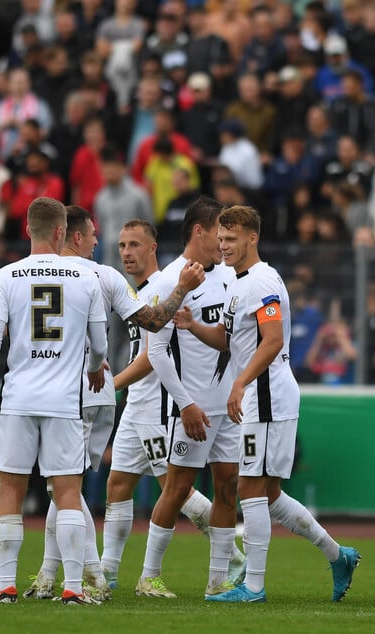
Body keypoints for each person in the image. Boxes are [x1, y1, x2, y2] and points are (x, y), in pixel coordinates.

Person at [175, 205, 361, 603]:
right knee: (269, 494)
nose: (223, 246)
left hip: (267, 395)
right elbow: (231, 341)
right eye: (220, 239)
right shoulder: (238, 284)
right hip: (260, 396)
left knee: (249, 487)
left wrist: (240, 382)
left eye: (231, 239)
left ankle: (254, 586)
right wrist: (193, 326)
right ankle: (338, 555)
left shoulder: (262, 281)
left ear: (252, 238)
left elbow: (272, 340)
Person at [24, 206, 206, 601]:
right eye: (96, 237)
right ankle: (82, 572)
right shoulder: (104, 277)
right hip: (92, 394)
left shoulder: (23, 273)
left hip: (49, 392)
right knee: (81, 486)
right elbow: (153, 322)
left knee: (67, 487)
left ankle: (82, 575)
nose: (104, 246)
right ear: (74, 236)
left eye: (130, 244)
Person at [0, 197, 108, 606]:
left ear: (28, 230)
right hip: (64, 400)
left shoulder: (7, 275)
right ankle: (74, 590)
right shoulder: (85, 278)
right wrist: (94, 367)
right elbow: (99, 344)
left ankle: (6, 586)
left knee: (9, 492)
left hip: (18, 399)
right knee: (67, 493)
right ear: (63, 233)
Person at [99, 218, 245, 591]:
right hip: (136, 403)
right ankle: (106, 573)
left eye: (134, 245)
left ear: (152, 247)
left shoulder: (167, 286)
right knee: (118, 483)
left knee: (176, 487)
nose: (127, 253)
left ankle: (231, 558)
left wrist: (112, 385)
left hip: (156, 401)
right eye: (122, 246)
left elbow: (152, 355)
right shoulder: (135, 293)